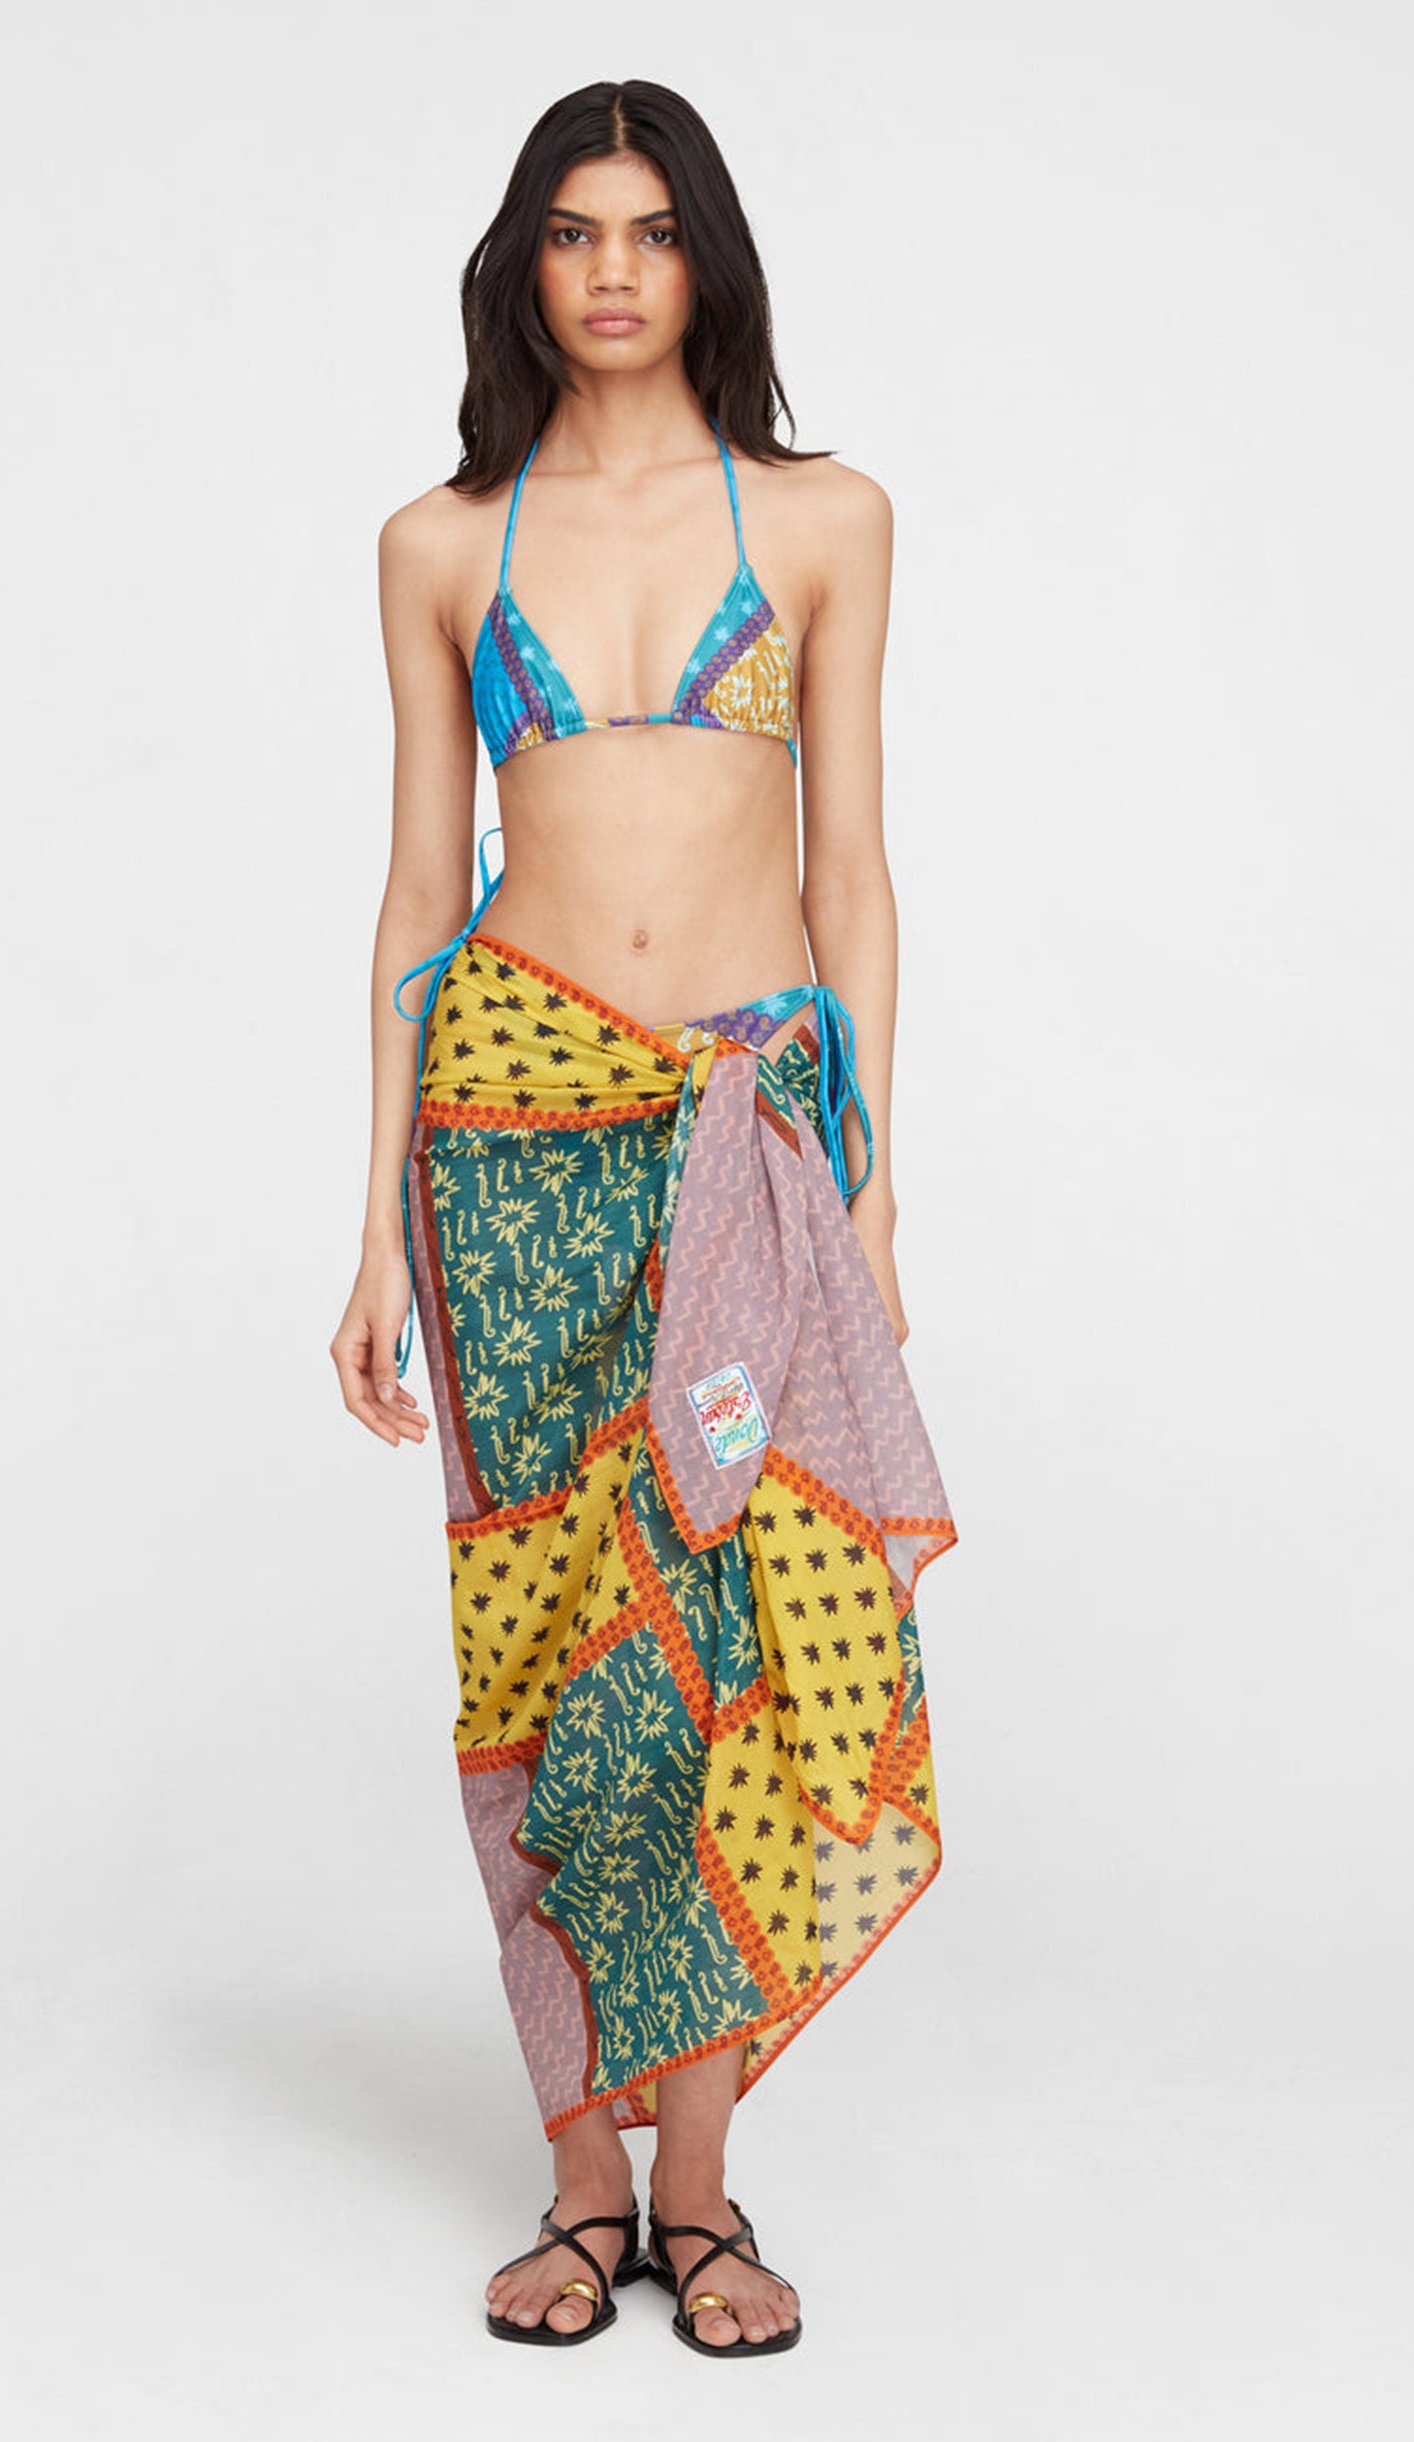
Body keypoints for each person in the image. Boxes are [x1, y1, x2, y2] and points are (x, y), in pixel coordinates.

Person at [332, 79, 956, 2358]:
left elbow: (850, 872)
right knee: (537, 1668)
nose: (612, 269)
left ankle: (699, 2191)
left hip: (740, 1143)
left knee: (727, 1640)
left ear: (708, 260)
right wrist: (374, 1232)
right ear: (526, 262)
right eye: (575, 230)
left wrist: (866, 1188)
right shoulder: (439, 542)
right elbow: (421, 892)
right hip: (505, 1146)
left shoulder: (820, 516)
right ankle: (579, 2183)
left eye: (654, 229)